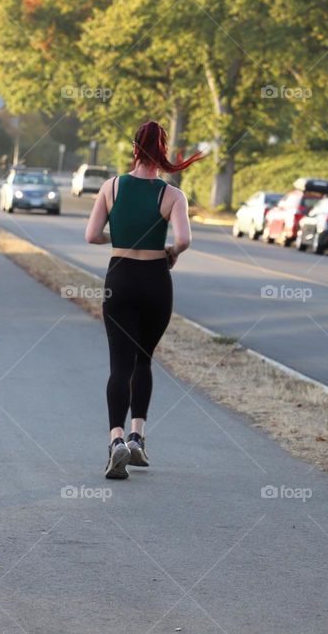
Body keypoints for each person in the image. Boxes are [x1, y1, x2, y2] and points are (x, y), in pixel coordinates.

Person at [84, 120, 202, 479]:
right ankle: (138, 438)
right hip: (156, 282)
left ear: (135, 148)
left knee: (119, 365)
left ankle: (116, 441)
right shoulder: (172, 195)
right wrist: (168, 251)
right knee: (144, 361)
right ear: (162, 151)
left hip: (119, 279)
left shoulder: (112, 187)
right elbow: (183, 240)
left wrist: (119, 236)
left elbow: (91, 236)